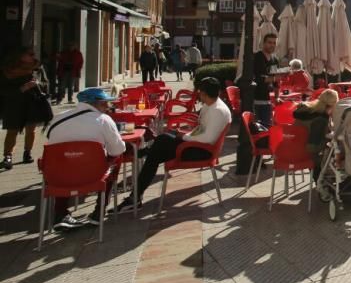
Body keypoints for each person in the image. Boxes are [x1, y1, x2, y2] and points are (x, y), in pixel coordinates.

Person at [118, 77, 231, 212]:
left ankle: (142, 158)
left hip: (202, 150)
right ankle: (136, 192)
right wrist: (183, 135)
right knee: (160, 145)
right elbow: (200, 129)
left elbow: (208, 138)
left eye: (200, 92)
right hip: (195, 143)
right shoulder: (209, 105)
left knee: (160, 144)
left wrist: (184, 137)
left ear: (205, 93)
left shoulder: (218, 111)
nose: (198, 95)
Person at [43, 87, 126, 229]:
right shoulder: (103, 120)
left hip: (57, 176)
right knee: (116, 159)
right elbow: (118, 149)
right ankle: (99, 211)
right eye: (104, 103)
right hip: (92, 175)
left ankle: (60, 213)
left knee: (65, 162)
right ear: (94, 103)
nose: (108, 107)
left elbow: (49, 138)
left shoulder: (57, 118)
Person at [1, 46, 49, 168]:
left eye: (33, 54)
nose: (33, 57)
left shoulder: (37, 68)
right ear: (21, 55)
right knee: (12, 130)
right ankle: (8, 156)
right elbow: (4, 89)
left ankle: (27, 153)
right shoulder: (9, 68)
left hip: (32, 102)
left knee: (31, 130)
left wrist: (38, 84)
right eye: (30, 54)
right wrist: (23, 88)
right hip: (14, 103)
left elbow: (46, 83)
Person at [292, 89, 339, 181]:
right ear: (333, 105)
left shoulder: (305, 111)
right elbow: (312, 148)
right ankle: (324, 186)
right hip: (305, 154)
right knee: (335, 155)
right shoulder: (320, 119)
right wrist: (327, 141)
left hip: (289, 150)